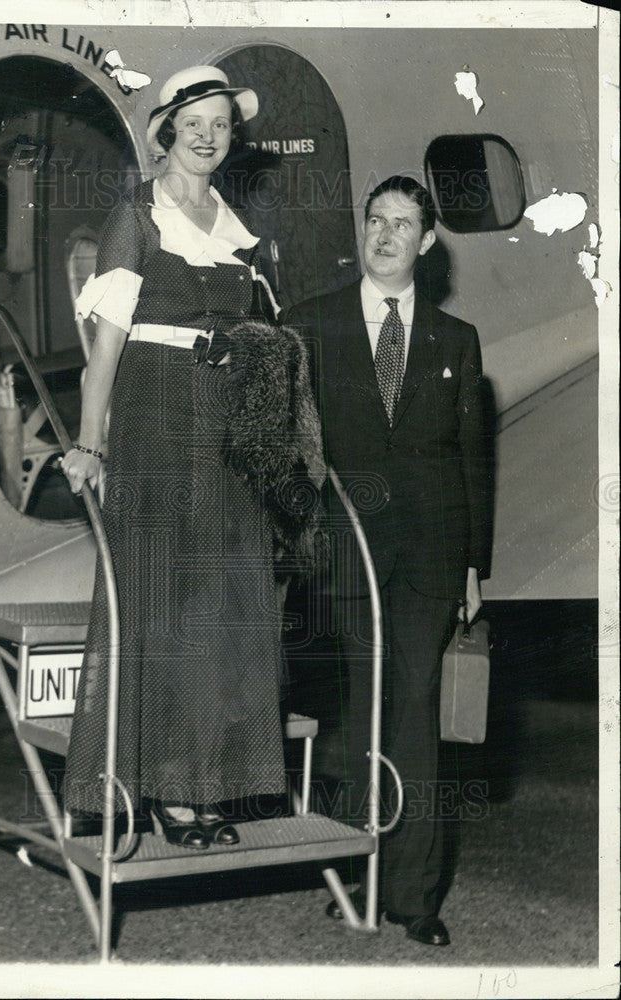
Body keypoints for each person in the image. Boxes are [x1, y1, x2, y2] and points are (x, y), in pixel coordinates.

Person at [61, 66, 324, 851]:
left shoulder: (236, 226)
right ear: (167, 128)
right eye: (195, 121)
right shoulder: (136, 216)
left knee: (227, 605)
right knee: (167, 601)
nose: (209, 136)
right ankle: (165, 793)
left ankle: (209, 783)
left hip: (229, 426)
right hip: (155, 414)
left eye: (222, 124)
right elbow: (104, 345)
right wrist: (87, 440)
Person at [285, 176, 492, 945]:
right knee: (363, 712)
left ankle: (413, 896)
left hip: (431, 558)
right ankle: (357, 867)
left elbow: (474, 459)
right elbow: (287, 451)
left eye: (404, 224)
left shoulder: (455, 339)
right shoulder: (308, 327)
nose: (386, 235)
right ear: (362, 228)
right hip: (345, 554)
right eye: (377, 219)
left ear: (426, 243)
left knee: (413, 709)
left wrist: (476, 566)